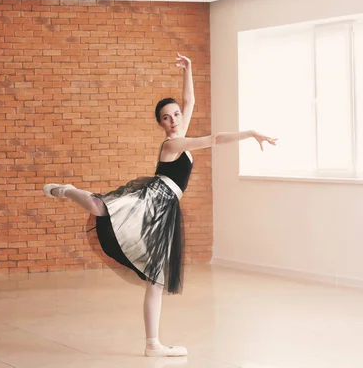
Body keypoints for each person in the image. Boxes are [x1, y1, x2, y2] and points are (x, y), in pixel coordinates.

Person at [42, 53, 277, 357]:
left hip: (166, 210)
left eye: (175, 115)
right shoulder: (173, 143)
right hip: (152, 197)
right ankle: (67, 190)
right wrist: (249, 133)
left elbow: (189, 101)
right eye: (166, 117)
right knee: (101, 208)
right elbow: (215, 139)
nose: (173, 120)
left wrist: (189, 69)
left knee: (156, 278)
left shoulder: (181, 128)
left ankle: (152, 344)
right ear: (160, 123)